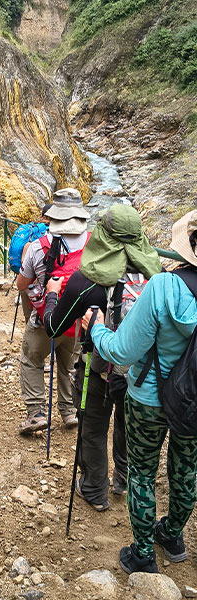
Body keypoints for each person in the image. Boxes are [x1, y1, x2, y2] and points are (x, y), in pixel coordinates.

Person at [83, 209, 197, 574]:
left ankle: (143, 554)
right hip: (193, 400)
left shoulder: (164, 287)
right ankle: (174, 537)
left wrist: (96, 328)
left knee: (143, 473)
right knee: (186, 469)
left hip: (149, 397)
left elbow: (122, 351)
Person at [42, 204, 162, 511]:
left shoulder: (86, 281)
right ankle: (122, 479)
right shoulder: (157, 279)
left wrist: (53, 293)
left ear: (103, 236)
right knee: (125, 423)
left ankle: (94, 489)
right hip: (142, 371)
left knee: (93, 426)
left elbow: (54, 326)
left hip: (98, 367)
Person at [17, 188, 90, 435]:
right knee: (69, 364)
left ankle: (36, 413)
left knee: (31, 359)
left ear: (53, 216)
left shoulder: (39, 247)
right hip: (79, 320)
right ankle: (69, 411)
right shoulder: (93, 245)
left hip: (44, 320)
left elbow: (22, 285)